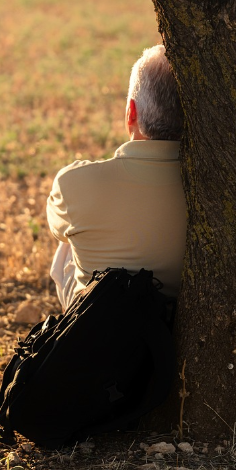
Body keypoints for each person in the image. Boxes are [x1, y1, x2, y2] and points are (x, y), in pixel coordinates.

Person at [47, 45, 186, 310]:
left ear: (131, 112)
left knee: (69, 241)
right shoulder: (215, 188)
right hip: (175, 324)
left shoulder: (73, 183)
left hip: (100, 325)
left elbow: (56, 229)